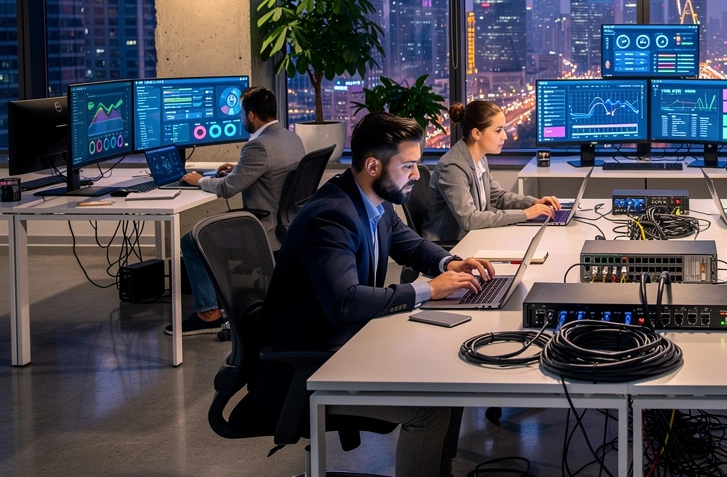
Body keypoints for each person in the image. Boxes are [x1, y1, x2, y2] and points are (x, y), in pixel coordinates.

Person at [258, 112, 494, 477]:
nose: (417, 175)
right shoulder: (332, 216)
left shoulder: (373, 202)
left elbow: (411, 246)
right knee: (428, 410)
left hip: (351, 341)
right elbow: (345, 302)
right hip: (315, 361)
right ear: (373, 165)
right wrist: (429, 289)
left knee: (451, 374)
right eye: (409, 166)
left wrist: (451, 263)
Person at [170, 86, 305, 336]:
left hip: (261, 229)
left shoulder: (258, 146)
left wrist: (198, 179)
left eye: (242, 114)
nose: (241, 119)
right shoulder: (291, 138)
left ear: (251, 115)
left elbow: (228, 189)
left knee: (191, 241)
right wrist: (239, 167)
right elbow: (270, 173)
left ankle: (208, 313)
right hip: (289, 225)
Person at [424, 100, 559, 244]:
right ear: (476, 133)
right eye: (498, 130)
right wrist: (525, 214)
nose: (505, 136)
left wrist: (534, 203)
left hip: (472, 238)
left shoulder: (479, 159)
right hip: (449, 247)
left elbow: (499, 197)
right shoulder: (452, 167)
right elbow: (470, 219)